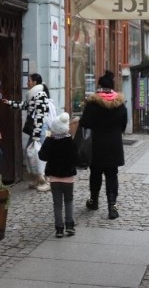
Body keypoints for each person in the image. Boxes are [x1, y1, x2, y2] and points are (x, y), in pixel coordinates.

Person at [80, 70, 127, 219]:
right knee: (112, 175)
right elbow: (124, 124)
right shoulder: (120, 104)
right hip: (114, 144)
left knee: (95, 174)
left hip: (97, 145)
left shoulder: (92, 104)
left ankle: (93, 201)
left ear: (99, 86)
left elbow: (84, 123)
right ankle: (112, 206)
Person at [1, 73, 51, 192]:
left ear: (34, 82)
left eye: (29, 81)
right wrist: (10, 103)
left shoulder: (40, 94)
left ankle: (47, 181)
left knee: (41, 154)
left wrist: (36, 134)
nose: (27, 83)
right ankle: (38, 178)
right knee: (31, 152)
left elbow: (40, 115)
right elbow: (25, 106)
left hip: (39, 129)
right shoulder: (33, 94)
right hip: (36, 129)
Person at [39, 112, 79, 238]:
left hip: (54, 177)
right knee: (69, 200)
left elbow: (42, 156)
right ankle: (70, 225)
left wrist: (48, 140)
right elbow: (76, 158)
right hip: (68, 177)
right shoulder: (69, 141)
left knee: (57, 203)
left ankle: (59, 228)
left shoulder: (50, 141)